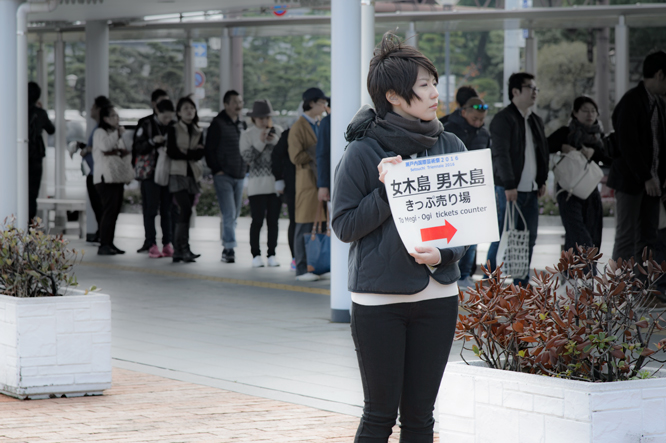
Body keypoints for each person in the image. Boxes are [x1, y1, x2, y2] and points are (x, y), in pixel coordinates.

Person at [332, 32, 467, 443]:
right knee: (379, 416)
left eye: (433, 82)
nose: (434, 93)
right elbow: (344, 225)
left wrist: (442, 255)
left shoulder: (451, 144)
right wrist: (391, 189)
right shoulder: (362, 152)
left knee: (421, 418)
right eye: (424, 85)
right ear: (393, 95)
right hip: (380, 302)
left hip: (439, 299)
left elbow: (464, 223)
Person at [487, 72, 549, 287]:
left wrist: (541, 180)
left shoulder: (535, 120)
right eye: (530, 87)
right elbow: (500, 154)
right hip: (509, 190)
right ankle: (491, 281)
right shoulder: (503, 119)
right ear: (515, 91)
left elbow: (542, 153)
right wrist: (509, 184)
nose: (534, 92)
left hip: (531, 190)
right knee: (504, 236)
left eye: (535, 88)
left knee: (528, 238)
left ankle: (521, 283)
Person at [607, 51, 666, 263]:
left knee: (648, 237)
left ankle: (643, 292)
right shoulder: (631, 101)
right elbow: (627, 144)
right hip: (631, 181)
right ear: (660, 74)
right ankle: (619, 294)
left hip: (652, 183)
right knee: (627, 237)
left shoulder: (657, 103)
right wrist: (646, 176)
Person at [547, 96, 605, 256]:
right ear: (575, 112)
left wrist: (594, 153)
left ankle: (582, 276)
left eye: (593, 111)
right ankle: (577, 275)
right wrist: (563, 147)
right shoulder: (566, 133)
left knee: (593, 234)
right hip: (568, 190)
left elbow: (610, 157)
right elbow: (545, 146)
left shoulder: (599, 137)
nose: (590, 114)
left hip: (590, 189)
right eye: (585, 110)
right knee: (578, 234)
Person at [444, 96, 491, 288]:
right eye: (474, 120)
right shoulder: (448, 129)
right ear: (464, 112)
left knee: (473, 236)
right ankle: (452, 274)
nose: (478, 124)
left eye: (481, 120)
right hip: (452, 189)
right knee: (453, 235)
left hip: (475, 190)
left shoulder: (484, 134)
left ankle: (465, 274)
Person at [288, 87, 329, 282]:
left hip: (319, 180)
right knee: (304, 225)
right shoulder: (298, 126)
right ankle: (302, 268)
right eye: (321, 103)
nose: (324, 106)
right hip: (307, 182)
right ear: (311, 103)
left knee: (319, 223)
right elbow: (295, 157)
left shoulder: (320, 123)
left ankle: (317, 266)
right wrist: (317, 150)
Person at [240, 99, 283, 268]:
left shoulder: (278, 131)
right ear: (254, 119)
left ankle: (272, 254)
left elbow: (284, 155)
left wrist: (273, 140)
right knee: (257, 221)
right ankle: (255, 255)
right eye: (260, 118)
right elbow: (247, 158)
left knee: (273, 221)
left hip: (275, 185)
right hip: (256, 186)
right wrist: (260, 141)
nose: (264, 121)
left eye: (266, 117)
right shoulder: (247, 134)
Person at [205, 90, 247, 264]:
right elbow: (209, 150)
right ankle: (228, 248)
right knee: (229, 212)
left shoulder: (242, 125)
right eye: (235, 102)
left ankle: (228, 245)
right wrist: (217, 169)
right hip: (224, 176)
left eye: (240, 101)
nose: (239, 105)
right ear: (226, 104)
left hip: (240, 174)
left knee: (235, 213)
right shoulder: (217, 124)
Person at [133, 98, 175, 258]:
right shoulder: (146, 124)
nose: (168, 120)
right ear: (157, 112)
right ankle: (151, 244)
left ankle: (167, 243)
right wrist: (152, 141)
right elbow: (138, 147)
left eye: (170, 117)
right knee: (150, 210)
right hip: (149, 173)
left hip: (167, 172)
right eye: (165, 117)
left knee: (167, 209)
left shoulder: (173, 126)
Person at [167, 97, 205, 263]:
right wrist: (190, 152)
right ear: (179, 112)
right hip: (177, 173)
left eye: (192, 108)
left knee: (187, 211)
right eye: (186, 108)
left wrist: (186, 152)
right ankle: (180, 249)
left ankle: (181, 250)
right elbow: (172, 151)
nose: (189, 111)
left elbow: (200, 153)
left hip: (192, 174)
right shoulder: (173, 128)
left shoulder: (198, 130)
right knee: (185, 209)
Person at [93, 105, 134, 256]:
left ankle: (109, 243)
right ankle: (104, 244)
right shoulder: (100, 132)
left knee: (115, 211)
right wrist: (117, 133)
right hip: (105, 178)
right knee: (109, 211)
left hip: (116, 177)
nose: (116, 119)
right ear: (105, 118)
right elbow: (105, 146)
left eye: (117, 116)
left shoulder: (114, 133)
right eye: (113, 116)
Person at [80, 95, 112, 244]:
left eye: (93, 107)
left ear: (99, 109)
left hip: (97, 173)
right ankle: (102, 235)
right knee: (101, 207)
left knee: (100, 207)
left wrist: (86, 150)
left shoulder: (101, 129)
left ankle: (103, 238)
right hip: (95, 172)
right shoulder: (100, 128)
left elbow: (100, 147)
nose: (91, 110)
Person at [27, 82, 55, 224]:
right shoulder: (40, 113)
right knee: (32, 194)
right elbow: (51, 129)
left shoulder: (16, 110)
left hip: (19, 157)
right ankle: (29, 226)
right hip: (35, 156)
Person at [272, 128, 297, 270]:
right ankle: (295, 257)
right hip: (291, 183)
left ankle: (309, 257)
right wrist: (279, 179)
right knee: (294, 220)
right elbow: (276, 155)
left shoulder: (318, 127)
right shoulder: (289, 133)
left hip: (311, 185)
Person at [316, 100, 331, 204]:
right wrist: (323, 184)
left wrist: (323, 184)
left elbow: (322, 154)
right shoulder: (327, 122)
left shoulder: (327, 121)